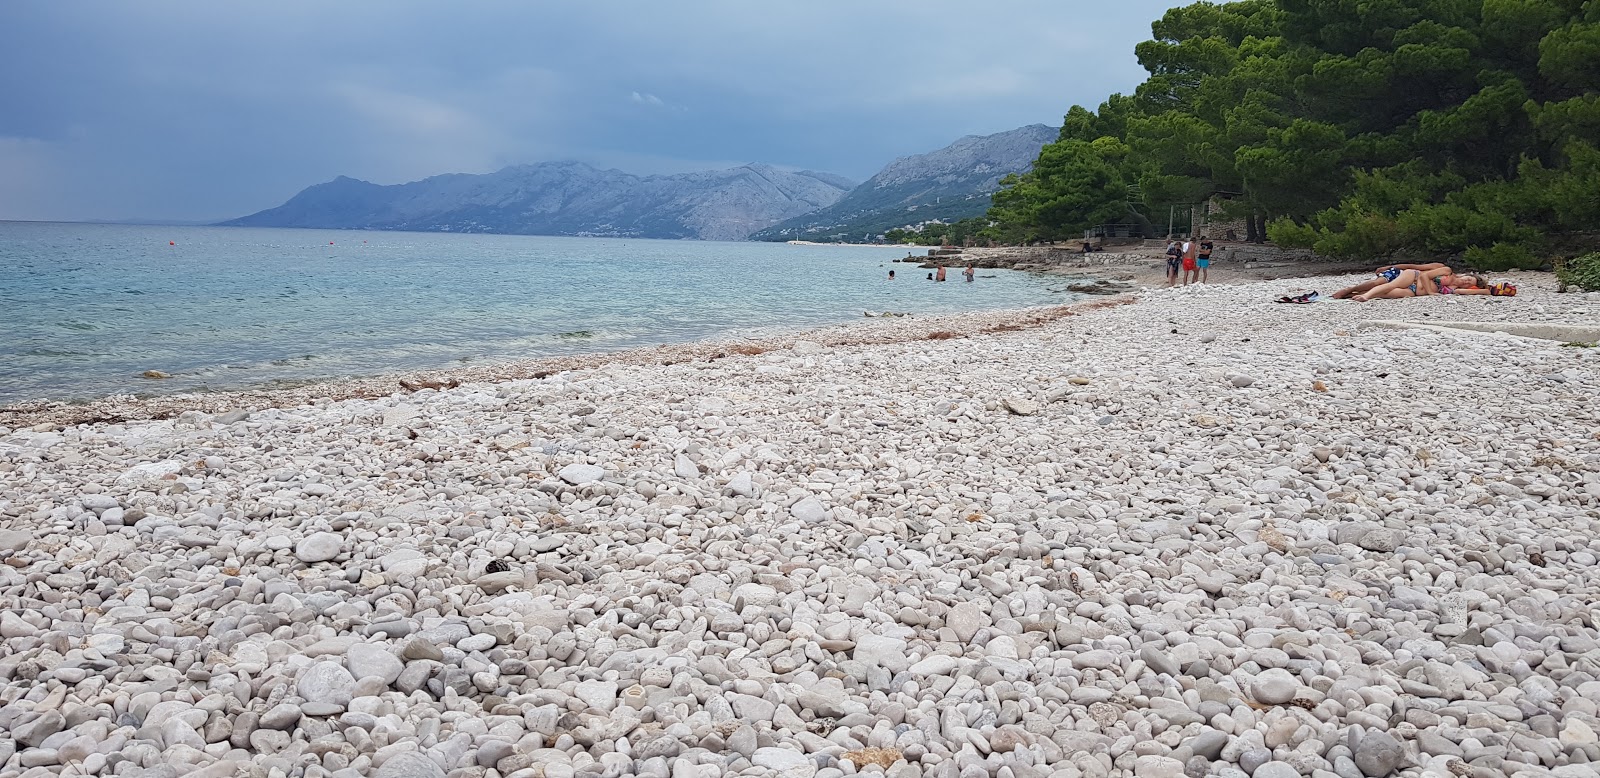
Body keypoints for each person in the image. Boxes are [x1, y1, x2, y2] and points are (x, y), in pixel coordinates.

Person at [1331, 263, 1487, 299]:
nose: (1466, 282)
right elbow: (1423, 273)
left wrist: (1490, 290)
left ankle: (1355, 294)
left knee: (1389, 294)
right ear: (1464, 275)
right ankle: (1359, 294)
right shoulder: (1446, 271)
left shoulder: (1454, 289)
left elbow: (1484, 291)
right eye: (1467, 278)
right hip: (1412, 276)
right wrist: (1432, 292)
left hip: (1413, 291)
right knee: (1385, 284)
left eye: (1469, 282)